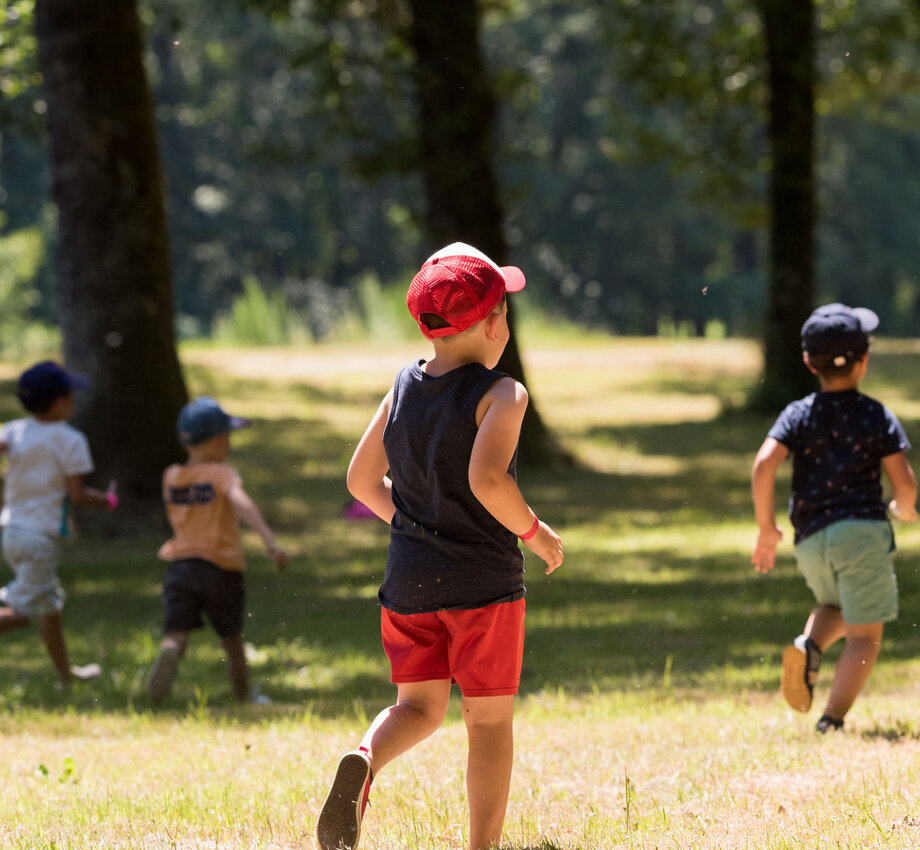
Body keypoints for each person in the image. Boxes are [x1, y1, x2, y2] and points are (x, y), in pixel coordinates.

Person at [317, 243, 565, 850]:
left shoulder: (403, 386)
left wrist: (412, 528)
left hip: (408, 585)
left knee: (419, 708)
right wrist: (536, 533)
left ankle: (364, 758)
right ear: (492, 323)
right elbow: (487, 481)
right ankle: (482, 845)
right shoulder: (502, 394)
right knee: (488, 722)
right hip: (484, 588)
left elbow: (359, 480)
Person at [751, 303, 917, 734]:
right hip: (861, 534)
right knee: (865, 634)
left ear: (808, 362)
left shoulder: (797, 413)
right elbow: (904, 480)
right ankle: (832, 719)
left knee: (837, 606)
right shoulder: (875, 414)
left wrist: (767, 529)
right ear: (864, 359)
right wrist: (905, 505)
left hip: (809, 540)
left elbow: (764, 465)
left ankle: (808, 646)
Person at [145, 397, 291, 705]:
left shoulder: (171, 476)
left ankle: (170, 652)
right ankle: (243, 695)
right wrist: (269, 540)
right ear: (218, 439)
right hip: (220, 569)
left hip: (180, 567)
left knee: (176, 632)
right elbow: (240, 502)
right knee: (232, 640)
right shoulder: (222, 474)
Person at [0, 361, 115, 687]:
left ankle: (66, 678)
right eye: (70, 395)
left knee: (50, 607)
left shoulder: (14, 430)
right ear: (61, 402)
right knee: (21, 614)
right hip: (39, 539)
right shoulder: (70, 440)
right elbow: (77, 494)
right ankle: (66, 677)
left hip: (11, 532)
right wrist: (106, 500)